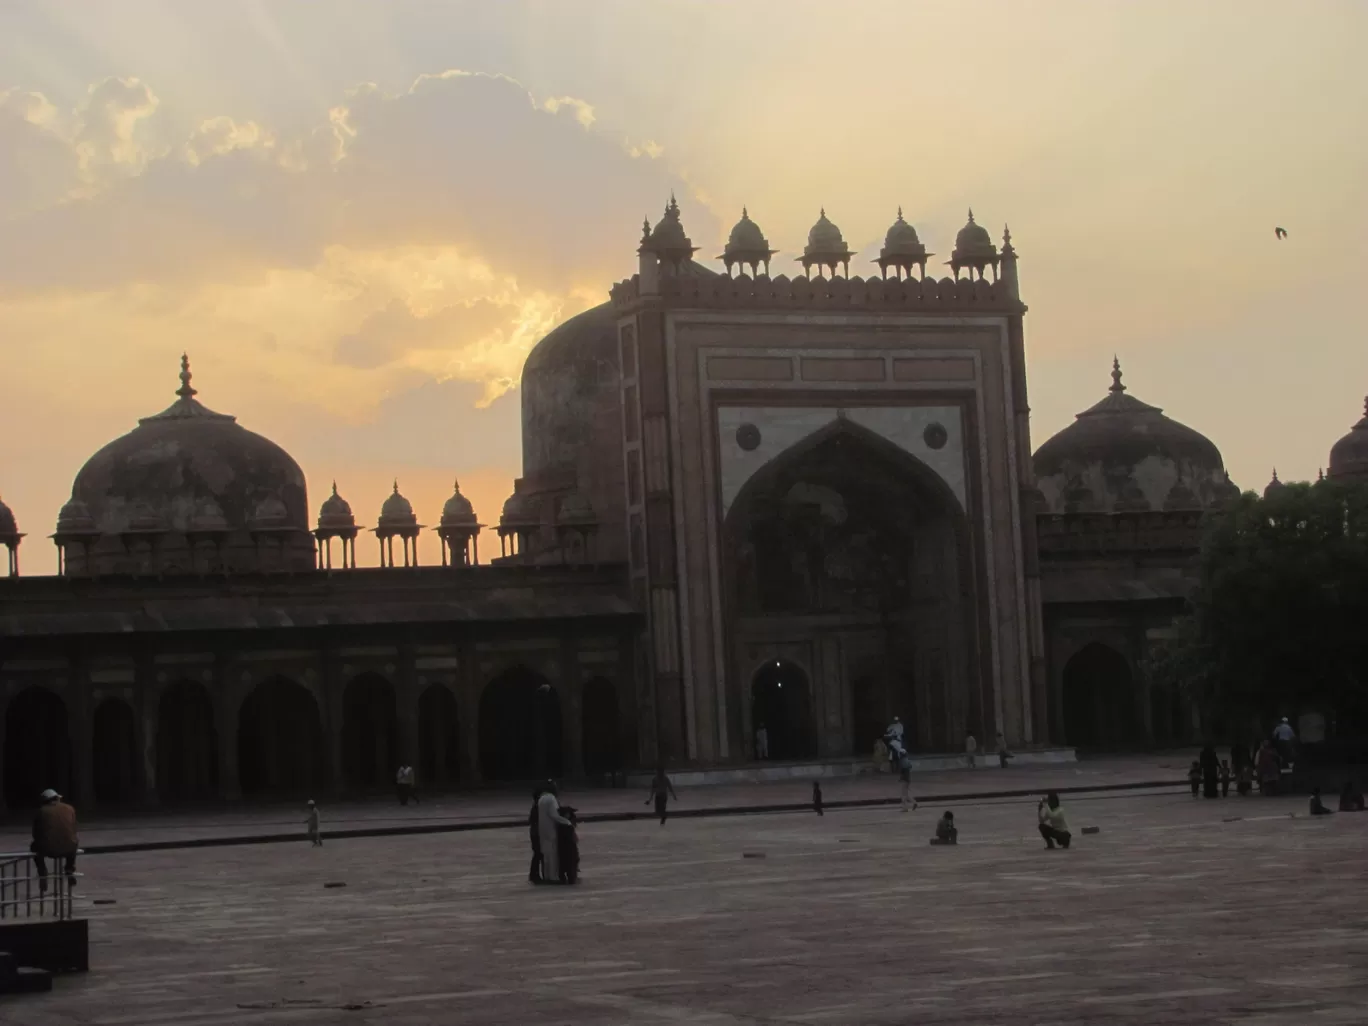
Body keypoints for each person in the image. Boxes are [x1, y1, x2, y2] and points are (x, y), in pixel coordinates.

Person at [31, 789, 79, 893]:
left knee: (34, 847)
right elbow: (74, 828)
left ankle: (42, 872)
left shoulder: (41, 811)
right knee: (73, 841)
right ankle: (69, 869)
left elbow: (35, 833)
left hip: (49, 849)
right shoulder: (70, 808)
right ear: (57, 798)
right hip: (68, 849)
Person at [537, 782, 573, 882]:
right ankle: (554, 877)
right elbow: (554, 814)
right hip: (551, 829)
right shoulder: (551, 798)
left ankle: (547, 875)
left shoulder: (541, 798)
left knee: (546, 854)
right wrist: (567, 822)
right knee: (553, 854)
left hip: (542, 829)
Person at [528, 786, 545, 883]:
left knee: (537, 854)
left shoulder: (536, 806)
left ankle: (534, 874)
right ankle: (535, 874)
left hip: (535, 832)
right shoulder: (537, 807)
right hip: (537, 833)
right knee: (539, 854)